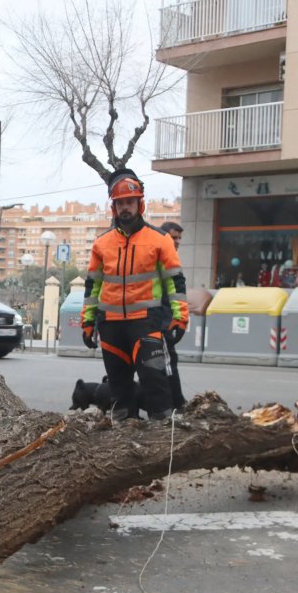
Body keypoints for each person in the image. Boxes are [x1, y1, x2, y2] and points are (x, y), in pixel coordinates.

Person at [81, 170, 189, 421]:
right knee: (119, 387)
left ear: (140, 204)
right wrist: (87, 322)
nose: (125, 208)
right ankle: (124, 438)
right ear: (114, 208)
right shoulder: (101, 244)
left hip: (145, 323)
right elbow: (92, 287)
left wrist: (180, 317)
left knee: (155, 381)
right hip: (110, 325)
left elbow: (175, 282)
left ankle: (162, 436)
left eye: (130, 202)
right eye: (120, 203)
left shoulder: (160, 240)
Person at [158, 221, 187, 412]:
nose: (177, 242)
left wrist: (180, 318)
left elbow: (176, 295)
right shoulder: (160, 261)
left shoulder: (171, 260)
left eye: (179, 238)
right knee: (168, 364)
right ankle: (177, 405)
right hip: (159, 322)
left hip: (166, 320)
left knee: (164, 364)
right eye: (173, 237)